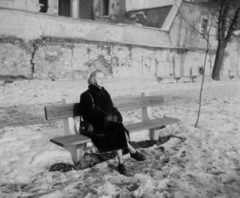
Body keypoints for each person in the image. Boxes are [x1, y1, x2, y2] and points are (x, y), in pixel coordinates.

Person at [79, 70, 146, 174]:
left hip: (109, 124)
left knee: (117, 127)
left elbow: (112, 107)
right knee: (117, 128)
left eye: (103, 77)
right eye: (99, 78)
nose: (102, 80)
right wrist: (105, 117)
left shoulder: (105, 93)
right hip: (96, 126)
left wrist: (116, 115)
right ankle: (132, 152)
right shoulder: (86, 95)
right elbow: (88, 114)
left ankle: (121, 163)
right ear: (93, 79)